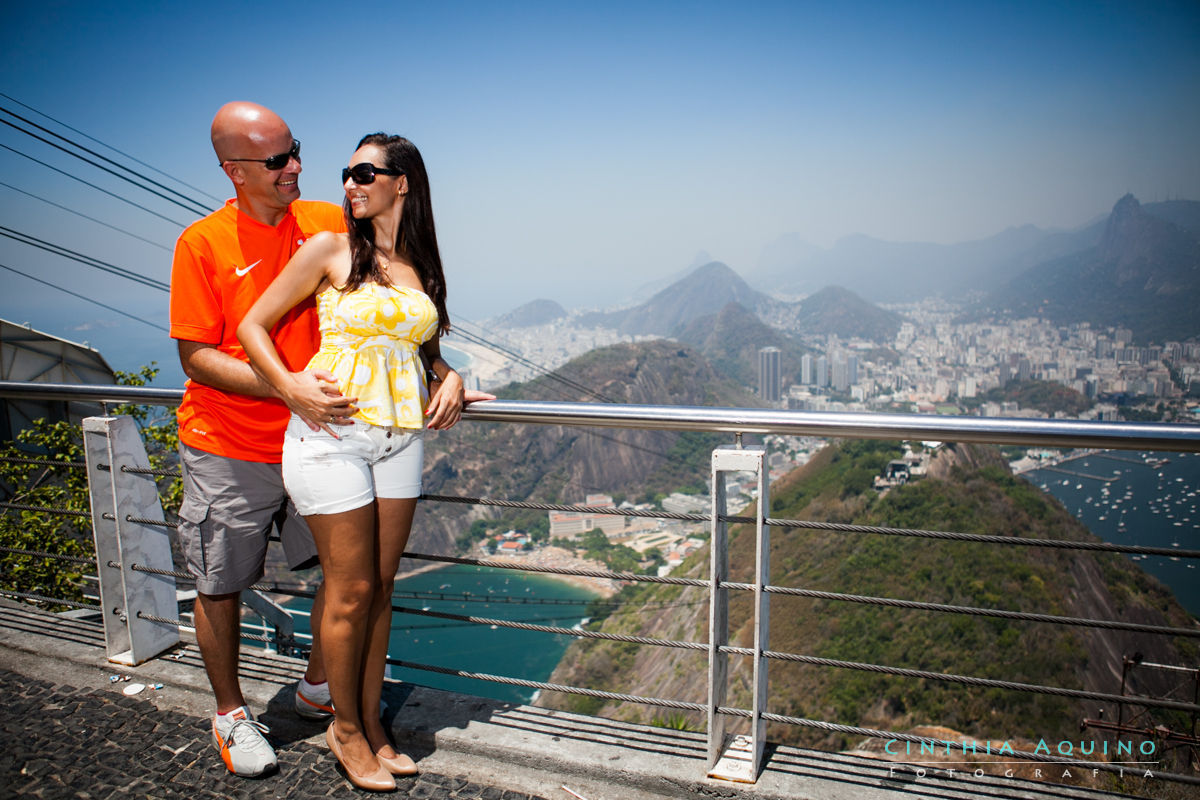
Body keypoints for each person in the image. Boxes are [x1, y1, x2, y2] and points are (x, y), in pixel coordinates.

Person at [238, 133, 482, 791]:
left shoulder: (420, 264)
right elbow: (252, 326)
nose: (350, 182)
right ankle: (343, 732)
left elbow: (419, 344)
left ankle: (371, 723)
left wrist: (449, 373)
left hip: (401, 438)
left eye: (365, 171)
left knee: (379, 592)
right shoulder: (331, 251)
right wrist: (289, 386)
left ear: (402, 182)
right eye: (347, 172)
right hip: (331, 439)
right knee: (348, 592)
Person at [169, 102, 355, 778]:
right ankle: (230, 713)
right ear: (235, 169)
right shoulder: (204, 244)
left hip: (320, 439)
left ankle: (314, 690)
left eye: (295, 150)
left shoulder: (329, 223)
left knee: (345, 571)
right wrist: (288, 387)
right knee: (220, 582)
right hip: (229, 443)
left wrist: (442, 370)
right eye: (277, 160)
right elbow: (197, 357)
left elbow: (392, 297)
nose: (296, 167)